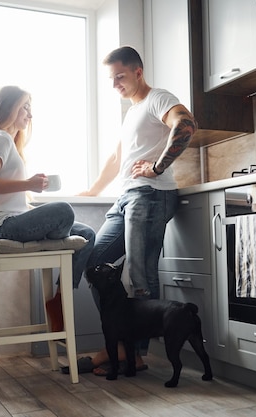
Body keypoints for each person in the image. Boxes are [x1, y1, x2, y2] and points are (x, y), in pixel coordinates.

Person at [75, 46, 197, 376]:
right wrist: (92, 192)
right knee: (94, 264)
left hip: (151, 195)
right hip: (125, 198)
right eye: (111, 79)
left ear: (138, 72)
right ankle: (120, 345)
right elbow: (118, 159)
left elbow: (185, 124)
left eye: (120, 76)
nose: (115, 84)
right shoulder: (131, 113)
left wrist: (157, 167)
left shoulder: (158, 97)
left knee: (141, 278)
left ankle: (136, 354)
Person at [0, 85, 96, 331]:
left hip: (14, 221)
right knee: (64, 211)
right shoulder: (0, 138)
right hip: (3, 227)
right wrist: (28, 184)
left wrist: (32, 187)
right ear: (9, 108)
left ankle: (59, 300)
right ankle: (56, 234)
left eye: (30, 107)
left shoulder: (10, 143)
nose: (29, 114)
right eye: (24, 106)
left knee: (87, 234)